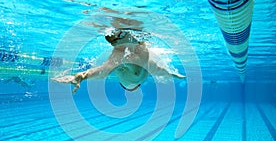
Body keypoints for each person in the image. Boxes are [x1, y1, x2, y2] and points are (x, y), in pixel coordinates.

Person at [51, 29, 186, 93]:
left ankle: (123, 37)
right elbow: (164, 72)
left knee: (129, 69)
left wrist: (82, 76)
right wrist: (81, 76)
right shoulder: (143, 67)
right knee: (131, 70)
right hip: (133, 66)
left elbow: (103, 71)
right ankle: (122, 38)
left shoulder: (143, 66)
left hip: (133, 65)